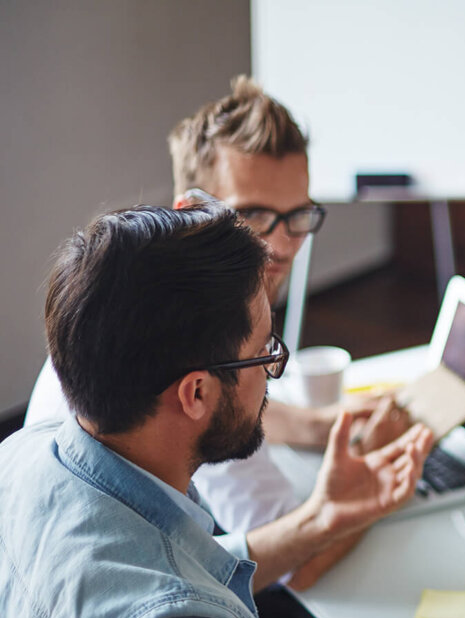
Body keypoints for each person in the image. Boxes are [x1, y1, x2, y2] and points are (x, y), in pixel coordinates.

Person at [0, 204, 465, 618]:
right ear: (195, 394)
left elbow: (170, 575)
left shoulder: (28, 453)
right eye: (266, 354)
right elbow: (160, 614)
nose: (270, 375)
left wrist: (324, 517)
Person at [24, 76, 408, 585]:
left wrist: (321, 426)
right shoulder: (200, 348)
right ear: (192, 210)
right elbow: (294, 564)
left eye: (297, 215)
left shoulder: (122, 295)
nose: (282, 245)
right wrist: (374, 486)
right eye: (252, 215)